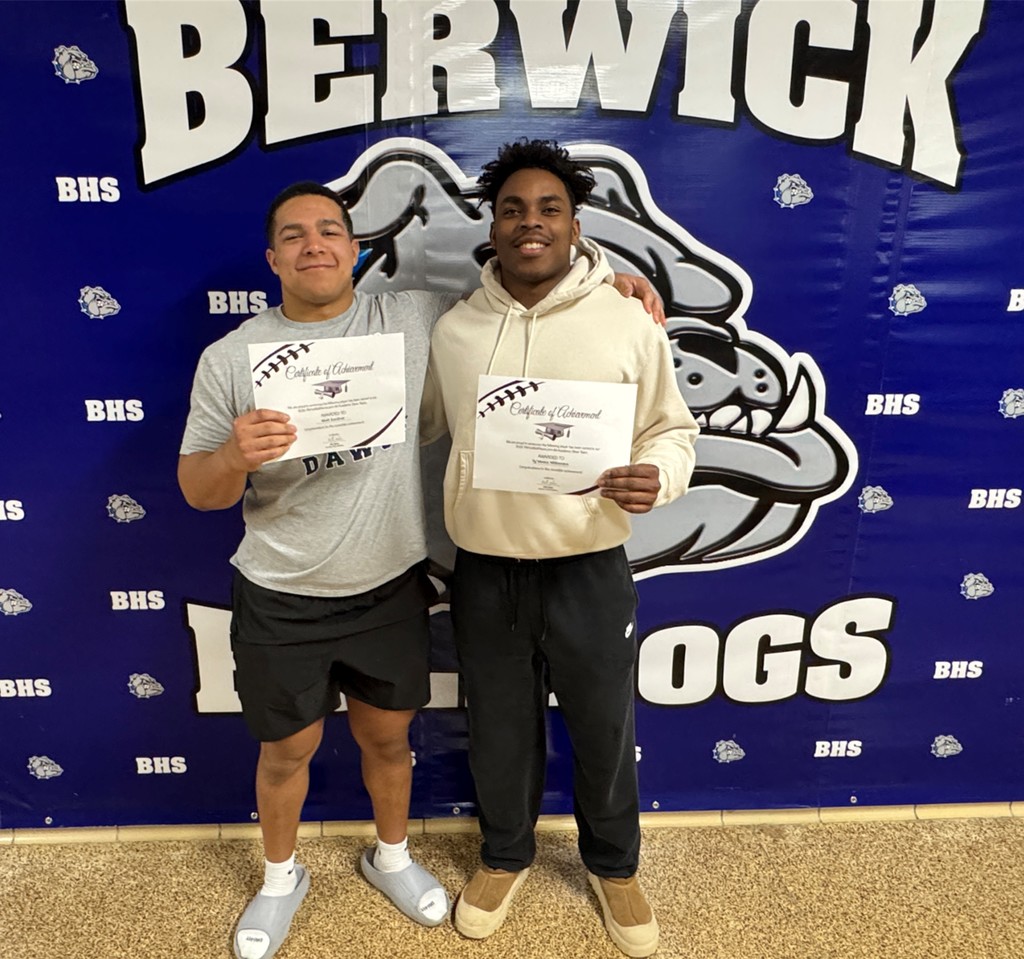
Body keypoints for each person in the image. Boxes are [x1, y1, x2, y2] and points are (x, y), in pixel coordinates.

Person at [177, 179, 665, 959]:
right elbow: (198, 489)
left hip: (390, 586)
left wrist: (612, 276)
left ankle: (393, 857)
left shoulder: (413, 316)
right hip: (281, 589)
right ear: (273, 257)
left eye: (330, 231)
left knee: (387, 741)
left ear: (354, 249)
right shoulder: (231, 357)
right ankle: (278, 880)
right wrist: (234, 454)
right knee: (286, 751)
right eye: (295, 235)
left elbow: (527, 279)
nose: (315, 245)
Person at [421, 140, 699, 958]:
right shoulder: (457, 329)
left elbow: (672, 430)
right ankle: (505, 852)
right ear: (493, 224)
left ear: (575, 225)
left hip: (587, 567)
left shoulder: (627, 317)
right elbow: (425, 423)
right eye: (512, 209)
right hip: (485, 568)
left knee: (604, 727)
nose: (529, 223)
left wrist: (659, 474)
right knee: (500, 727)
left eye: (547, 209)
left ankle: (614, 865)